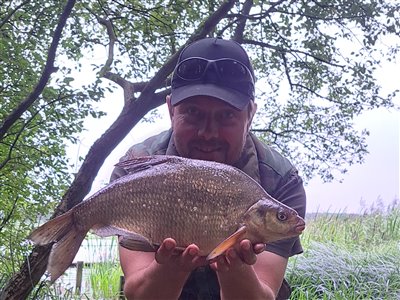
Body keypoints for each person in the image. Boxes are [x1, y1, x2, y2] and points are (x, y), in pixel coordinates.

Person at [111, 37, 306, 300]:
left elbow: (262, 296)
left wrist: (233, 266)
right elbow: (140, 295)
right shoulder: (137, 169)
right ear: (171, 110)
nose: (207, 133)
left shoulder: (280, 180)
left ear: (250, 114)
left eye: (226, 116)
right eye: (192, 112)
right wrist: (171, 269)